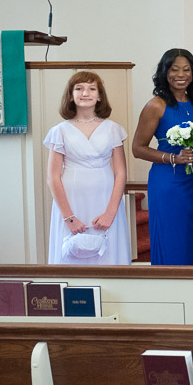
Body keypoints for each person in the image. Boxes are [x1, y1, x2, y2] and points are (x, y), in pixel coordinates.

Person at [130, 49, 193, 265]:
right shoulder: (156, 105)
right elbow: (137, 148)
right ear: (165, 73)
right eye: (174, 69)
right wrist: (173, 158)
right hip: (170, 183)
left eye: (186, 69)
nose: (180, 75)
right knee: (173, 239)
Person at [45, 70, 131, 265]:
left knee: (108, 254)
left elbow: (120, 173)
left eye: (92, 89)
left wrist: (110, 213)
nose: (85, 93)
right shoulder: (60, 131)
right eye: (79, 88)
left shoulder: (113, 129)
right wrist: (69, 217)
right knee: (70, 254)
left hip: (105, 197)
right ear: (71, 95)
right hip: (71, 200)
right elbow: (53, 177)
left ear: (99, 96)